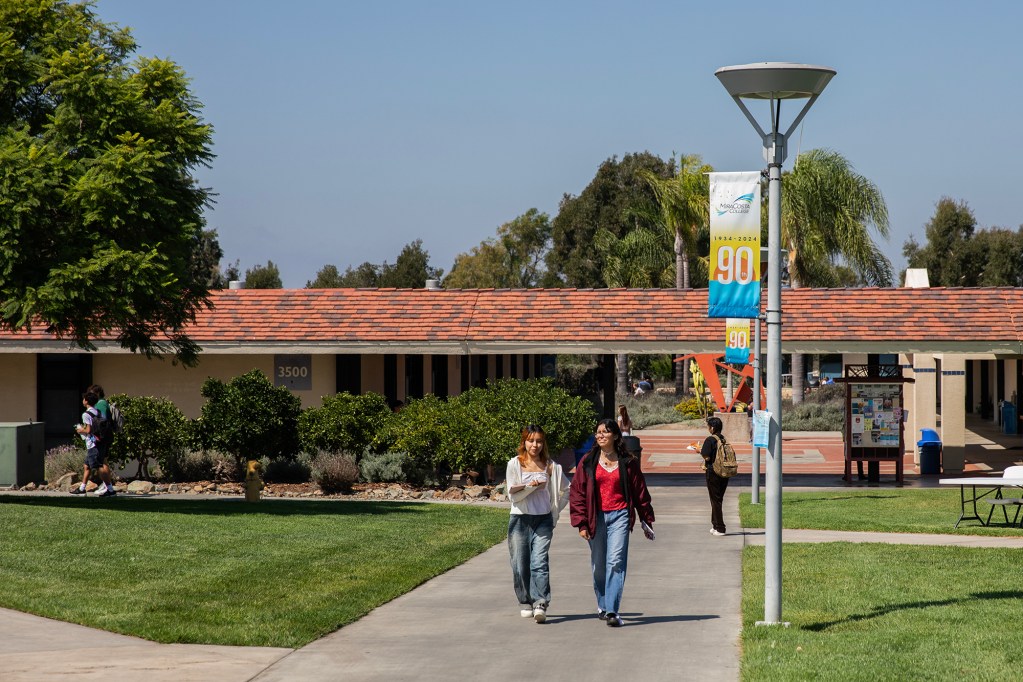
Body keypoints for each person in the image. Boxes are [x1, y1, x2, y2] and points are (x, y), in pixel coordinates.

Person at [570, 418, 654, 628]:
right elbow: (577, 492)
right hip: (595, 517)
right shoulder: (588, 461)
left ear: (615, 436)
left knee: (615, 562)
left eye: (605, 432)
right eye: (598, 432)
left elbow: (639, 491)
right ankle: (602, 603)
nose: (600, 435)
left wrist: (646, 519)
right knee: (599, 565)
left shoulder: (628, 462)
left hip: (620, 516)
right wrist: (581, 523)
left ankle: (612, 611)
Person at [505, 425, 570, 623]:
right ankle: (525, 601)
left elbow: (567, 489)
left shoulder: (551, 466)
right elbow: (513, 496)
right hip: (520, 519)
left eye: (539, 441)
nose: (535, 445)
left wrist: (555, 512)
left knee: (539, 562)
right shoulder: (514, 464)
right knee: (519, 563)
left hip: (543, 519)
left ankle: (540, 602)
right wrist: (530, 487)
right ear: (524, 442)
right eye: (531, 440)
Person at [71, 390, 116, 497]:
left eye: (84, 399)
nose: (83, 400)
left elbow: (88, 430)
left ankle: (110, 490)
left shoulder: (86, 414)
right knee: (87, 466)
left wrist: (80, 430)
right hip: (100, 441)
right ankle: (82, 488)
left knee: (99, 466)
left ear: (86, 401)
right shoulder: (97, 412)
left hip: (93, 444)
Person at [701, 417, 729, 535]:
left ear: (712, 428)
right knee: (718, 499)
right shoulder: (723, 439)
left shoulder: (710, 440)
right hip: (724, 472)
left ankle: (720, 527)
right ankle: (715, 524)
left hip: (713, 472)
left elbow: (706, 456)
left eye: (708, 426)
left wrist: (699, 451)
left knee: (715, 500)